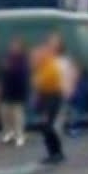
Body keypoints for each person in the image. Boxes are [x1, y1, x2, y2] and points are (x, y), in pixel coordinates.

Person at [30, 35, 65, 164]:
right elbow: (37, 85)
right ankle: (54, 153)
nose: (35, 58)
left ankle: (56, 153)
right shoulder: (42, 66)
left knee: (47, 125)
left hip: (53, 96)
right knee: (44, 126)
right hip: (45, 96)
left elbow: (42, 82)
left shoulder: (51, 66)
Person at [0, 36, 29, 146]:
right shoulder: (6, 57)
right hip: (6, 89)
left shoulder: (23, 58)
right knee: (5, 113)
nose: (14, 47)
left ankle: (20, 135)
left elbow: (22, 73)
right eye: (12, 45)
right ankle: (9, 132)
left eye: (16, 46)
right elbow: (1, 72)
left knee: (18, 115)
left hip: (18, 90)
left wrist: (10, 69)